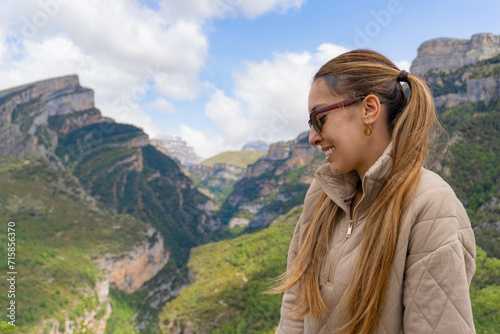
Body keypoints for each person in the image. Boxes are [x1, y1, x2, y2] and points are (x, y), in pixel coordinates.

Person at [270, 49, 476, 334]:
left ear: (368, 109)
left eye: (319, 118)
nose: (312, 137)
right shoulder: (320, 196)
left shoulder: (431, 206)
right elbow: (295, 311)